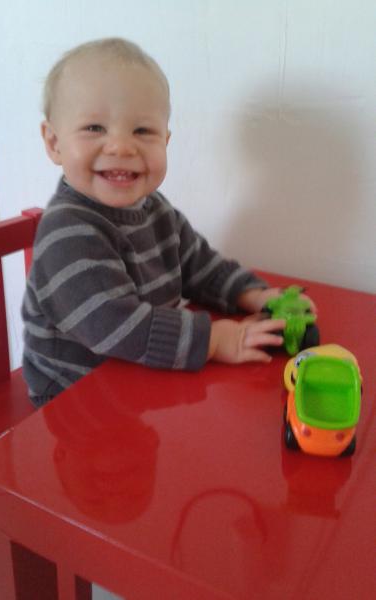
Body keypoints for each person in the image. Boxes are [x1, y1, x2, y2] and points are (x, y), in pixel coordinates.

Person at [22, 37, 314, 406]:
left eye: (143, 131)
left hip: (140, 374)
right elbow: (115, 325)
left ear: (166, 140)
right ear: (54, 143)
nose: (121, 146)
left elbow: (199, 264)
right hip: (74, 394)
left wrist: (251, 294)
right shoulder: (68, 233)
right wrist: (215, 340)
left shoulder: (156, 210)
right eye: (95, 127)